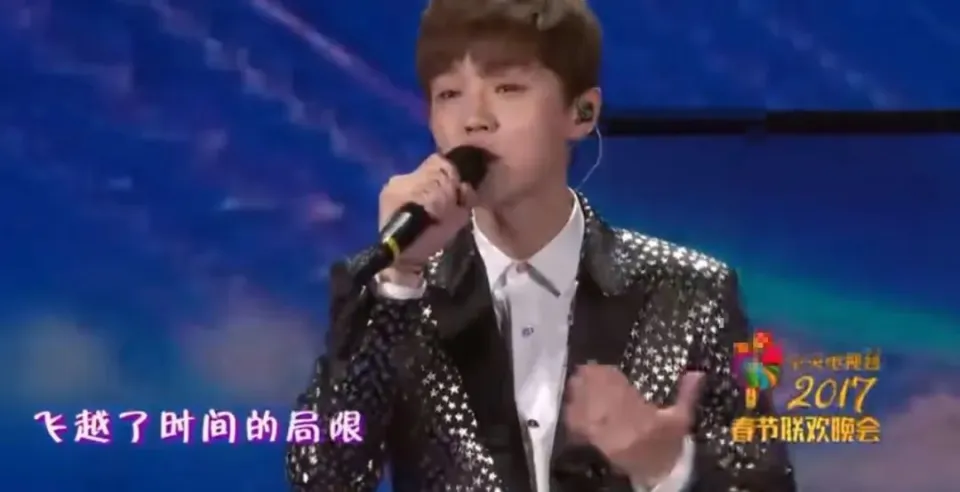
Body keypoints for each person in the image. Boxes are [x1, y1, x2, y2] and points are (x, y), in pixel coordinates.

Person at [286, 0, 795, 490]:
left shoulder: (691, 292)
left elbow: (764, 482)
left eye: (507, 88)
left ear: (582, 112)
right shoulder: (386, 292)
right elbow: (322, 478)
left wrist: (669, 467)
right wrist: (401, 280)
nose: (474, 119)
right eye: (449, 94)